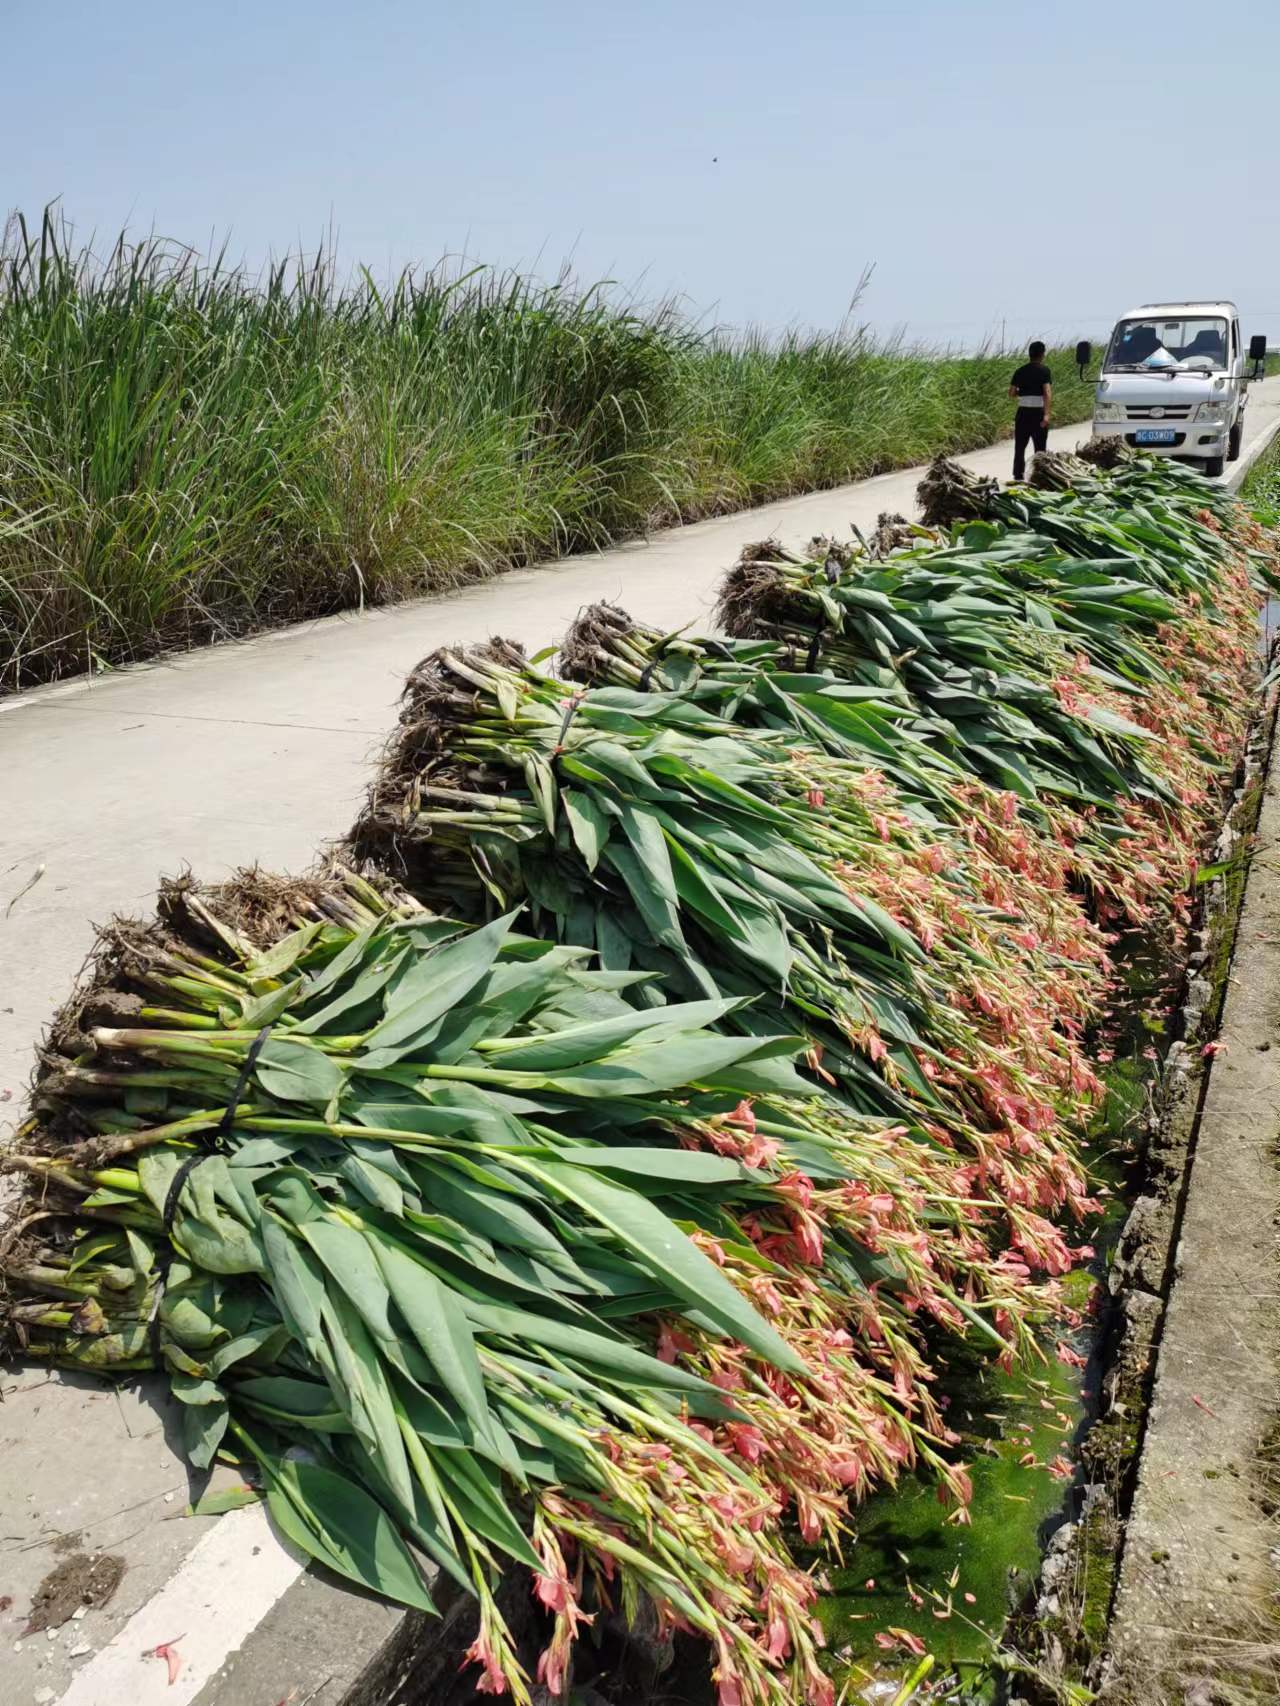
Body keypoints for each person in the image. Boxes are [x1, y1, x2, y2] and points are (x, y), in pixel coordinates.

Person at [1008, 339, 1052, 482]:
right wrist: (1046, 414)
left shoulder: (1020, 371)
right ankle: (1040, 474)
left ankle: (1018, 475)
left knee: (1020, 446)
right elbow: (1047, 393)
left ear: (1030, 354)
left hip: (1022, 412)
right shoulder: (1044, 371)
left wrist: (1021, 392)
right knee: (1040, 447)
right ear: (1042, 354)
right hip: (1038, 412)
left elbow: (1011, 393)